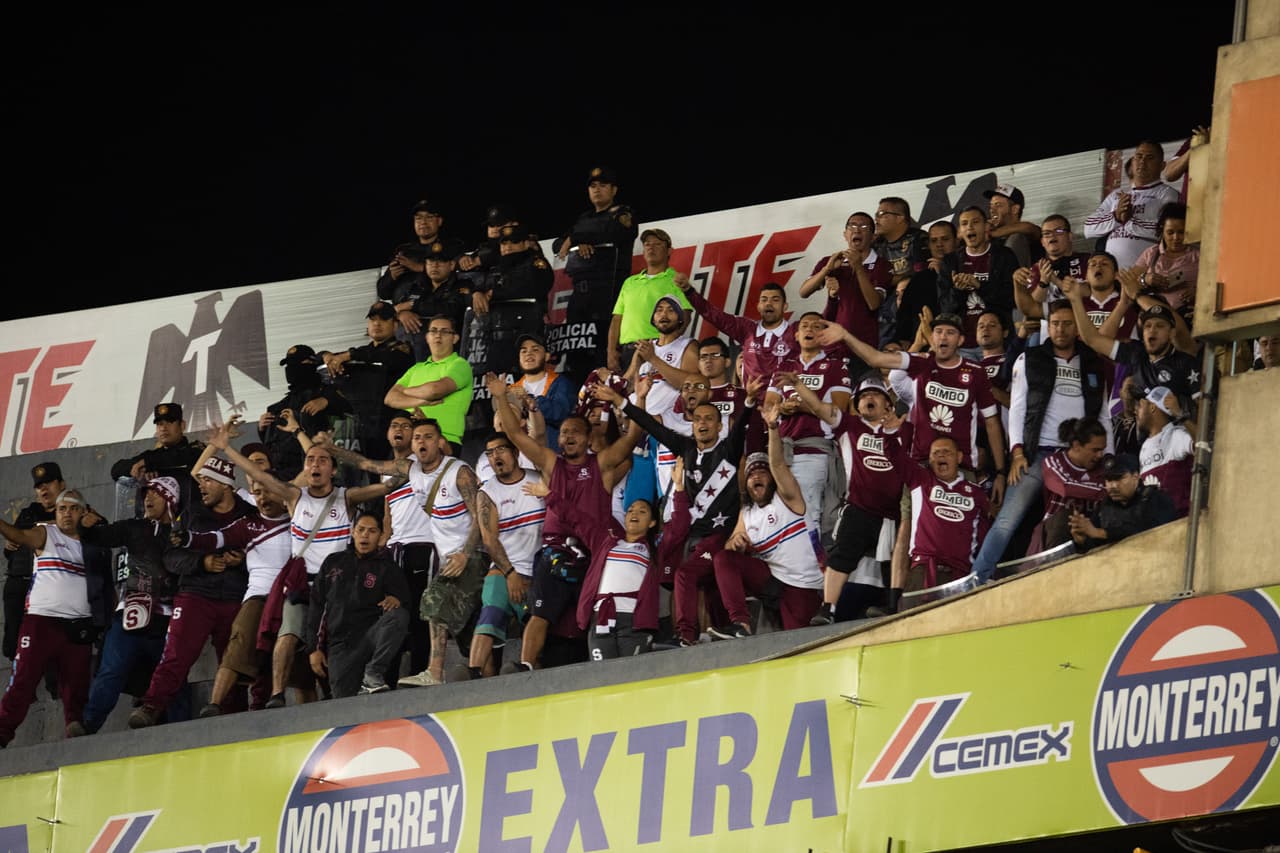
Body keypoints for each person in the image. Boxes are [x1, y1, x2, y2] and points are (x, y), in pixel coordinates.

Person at [205, 420, 401, 710]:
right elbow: (258, 474)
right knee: (287, 635)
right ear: (305, 469)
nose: (315, 464)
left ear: (333, 470)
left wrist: (340, 451)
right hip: (302, 587)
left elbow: (393, 482)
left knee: (335, 645)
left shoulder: (346, 497)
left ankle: (340, 696)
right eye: (310, 460)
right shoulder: (294, 496)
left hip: (337, 590)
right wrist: (225, 448)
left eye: (323, 460)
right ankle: (277, 695)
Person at [487, 371, 644, 670]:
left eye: (575, 432)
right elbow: (515, 435)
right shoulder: (550, 462)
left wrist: (638, 399)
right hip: (555, 553)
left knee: (588, 618)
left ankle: (598, 667)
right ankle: (526, 667)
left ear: (588, 438)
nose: (568, 437)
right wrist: (499, 397)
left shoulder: (602, 464)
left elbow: (632, 436)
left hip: (593, 556)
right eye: (564, 433)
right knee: (541, 614)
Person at [596, 373, 763, 647]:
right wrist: (620, 401)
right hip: (690, 536)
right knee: (703, 588)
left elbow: (742, 424)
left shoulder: (728, 451)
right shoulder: (685, 448)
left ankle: (686, 635)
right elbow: (651, 425)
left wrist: (749, 401)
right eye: (697, 420)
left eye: (709, 419)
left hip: (718, 537)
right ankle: (721, 633)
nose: (702, 424)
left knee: (685, 575)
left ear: (720, 426)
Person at [971, 300, 1112, 583]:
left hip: (1079, 456)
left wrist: (1107, 458)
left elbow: (1103, 415)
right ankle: (977, 580)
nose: (1060, 329)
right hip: (1038, 453)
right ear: (1049, 326)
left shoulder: (1093, 362)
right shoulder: (1030, 358)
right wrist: (1017, 452)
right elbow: (1017, 409)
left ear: (1078, 327)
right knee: (1008, 519)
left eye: (1067, 323)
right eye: (1055, 323)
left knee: (1079, 522)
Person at [128, 456, 258, 728]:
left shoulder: (250, 514)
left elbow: (268, 555)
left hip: (236, 597)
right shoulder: (190, 513)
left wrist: (242, 561)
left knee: (233, 661)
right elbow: (171, 557)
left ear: (226, 485)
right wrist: (202, 562)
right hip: (195, 595)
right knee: (175, 654)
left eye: (208, 480)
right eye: (201, 481)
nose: (201, 486)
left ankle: (234, 720)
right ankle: (151, 707)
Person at [817, 314, 1008, 494]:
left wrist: (1000, 472)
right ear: (932, 337)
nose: (943, 337)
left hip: (962, 466)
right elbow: (876, 358)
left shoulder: (976, 372)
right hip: (920, 465)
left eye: (950, 332)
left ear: (960, 340)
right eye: (939, 331)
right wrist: (845, 335)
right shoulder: (921, 362)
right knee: (912, 518)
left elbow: (991, 422)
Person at [780, 373, 912, 625]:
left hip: (894, 513)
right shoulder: (849, 426)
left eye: (875, 394)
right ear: (856, 406)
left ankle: (894, 607)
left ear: (889, 404)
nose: (869, 398)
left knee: (894, 561)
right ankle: (827, 609)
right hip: (859, 508)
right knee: (841, 556)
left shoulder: (908, 430)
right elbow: (818, 407)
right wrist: (797, 384)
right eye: (863, 396)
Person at [74, 477, 187, 734]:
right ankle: (88, 726)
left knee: (174, 678)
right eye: (145, 494)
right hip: (130, 614)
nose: (147, 498)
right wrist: (86, 528)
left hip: (168, 619)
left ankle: (185, 731)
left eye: (156, 494)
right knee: (111, 671)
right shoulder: (134, 527)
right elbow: (101, 536)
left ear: (171, 499)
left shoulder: (184, 534)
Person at [0, 489, 106, 747]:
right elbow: (17, 535)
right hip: (41, 622)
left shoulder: (95, 543)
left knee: (77, 687)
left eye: (73, 508)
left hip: (79, 626)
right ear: (55, 513)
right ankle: (2, 732)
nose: (66, 514)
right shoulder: (46, 533)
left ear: (84, 512)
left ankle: (76, 739)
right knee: (23, 679)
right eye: (61, 509)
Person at [710, 399, 823, 638]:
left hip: (802, 586)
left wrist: (772, 428)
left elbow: (778, 464)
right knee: (723, 558)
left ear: (772, 479)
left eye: (763, 472)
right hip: (772, 582)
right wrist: (736, 542)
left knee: (800, 645)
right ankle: (740, 623)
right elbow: (731, 545)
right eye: (752, 474)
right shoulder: (747, 513)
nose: (756, 477)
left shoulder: (788, 497)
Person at [185, 477, 291, 717]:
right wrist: (188, 538)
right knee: (237, 645)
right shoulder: (248, 524)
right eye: (257, 493)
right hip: (257, 596)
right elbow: (216, 538)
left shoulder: (298, 519)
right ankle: (214, 704)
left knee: (295, 656)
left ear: (282, 492)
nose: (262, 498)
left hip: (291, 596)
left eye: (268, 491)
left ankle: (283, 699)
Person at [764, 312, 852, 550]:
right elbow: (768, 405)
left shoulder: (835, 367)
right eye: (805, 325)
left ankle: (811, 564)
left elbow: (839, 410)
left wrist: (801, 406)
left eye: (816, 326)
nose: (810, 329)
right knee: (779, 513)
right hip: (780, 449)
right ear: (796, 334)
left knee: (807, 512)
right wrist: (782, 407)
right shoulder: (785, 367)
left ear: (825, 335)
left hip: (814, 449)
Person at [464, 432, 545, 679]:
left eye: (500, 450)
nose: (495, 457)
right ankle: (473, 672)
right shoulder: (487, 492)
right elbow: (489, 539)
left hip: (541, 569)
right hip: (506, 568)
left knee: (538, 623)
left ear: (515, 452)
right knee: (491, 611)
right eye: (489, 453)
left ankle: (528, 671)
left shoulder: (538, 480)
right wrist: (511, 574)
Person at [306, 510, 410, 698]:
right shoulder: (333, 562)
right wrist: (314, 648)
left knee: (398, 615)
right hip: (340, 644)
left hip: (371, 638)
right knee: (343, 701)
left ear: (380, 536)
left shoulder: (387, 566)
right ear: (353, 532)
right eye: (361, 529)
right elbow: (317, 606)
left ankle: (374, 672)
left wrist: (396, 599)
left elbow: (404, 600)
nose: (365, 535)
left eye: (372, 531)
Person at [553, 166, 639, 387]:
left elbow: (616, 233)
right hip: (580, 296)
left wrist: (577, 238)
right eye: (593, 186)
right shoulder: (584, 218)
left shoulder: (622, 213)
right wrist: (577, 240)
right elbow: (558, 245)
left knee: (604, 355)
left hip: (608, 294)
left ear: (614, 190)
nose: (597, 190)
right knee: (576, 355)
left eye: (603, 185)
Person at [1066, 281, 1202, 407]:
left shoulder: (1186, 359)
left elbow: (1202, 411)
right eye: (1147, 326)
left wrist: (1137, 295)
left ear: (1171, 332)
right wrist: (1075, 300)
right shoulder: (1136, 353)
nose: (1152, 330)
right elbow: (1093, 339)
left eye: (1160, 325)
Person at [319, 301, 416, 466]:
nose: (377, 324)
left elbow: (382, 357)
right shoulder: (360, 353)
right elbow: (318, 356)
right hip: (362, 428)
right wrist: (327, 356)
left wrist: (348, 355)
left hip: (391, 426)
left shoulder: (402, 350)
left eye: (383, 319)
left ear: (395, 325)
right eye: (373, 320)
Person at [900, 436, 993, 603]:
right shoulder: (921, 480)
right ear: (929, 459)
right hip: (923, 571)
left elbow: (985, 535)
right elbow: (895, 456)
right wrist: (892, 432)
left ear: (959, 457)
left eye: (946, 452)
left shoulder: (976, 493)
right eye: (936, 453)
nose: (941, 455)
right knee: (912, 618)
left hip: (960, 575)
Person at [798, 211, 888, 374]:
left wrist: (858, 267)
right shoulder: (831, 261)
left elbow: (874, 303)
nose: (857, 230)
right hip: (832, 347)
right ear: (845, 234)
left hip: (864, 347)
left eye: (864, 227)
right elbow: (804, 292)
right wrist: (827, 269)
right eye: (852, 226)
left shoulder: (882, 265)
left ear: (873, 237)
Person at [675, 277, 798, 389]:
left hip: (783, 401)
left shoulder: (796, 332)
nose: (769, 303)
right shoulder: (747, 329)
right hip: (750, 401)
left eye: (775, 300)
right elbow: (713, 315)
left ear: (785, 306)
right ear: (758, 306)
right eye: (764, 300)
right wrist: (689, 292)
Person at [258, 345, 353, 482]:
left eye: (297, 363)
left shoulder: (328, 391)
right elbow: (272, 444)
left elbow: (352, 408)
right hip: (282, 476)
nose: (292, 369)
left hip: (315, 473)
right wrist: (262, 429)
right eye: (290, 365)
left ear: (310, 363)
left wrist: (327, 401)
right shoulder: (280, 406)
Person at [1083, 141, 1181, 270]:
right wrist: (1116, 217)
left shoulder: (1167, 194)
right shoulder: (1116, 195)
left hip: (1146, 272)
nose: (1142, 161)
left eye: (1150, 158)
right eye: (1138, 156)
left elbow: (1167, 232)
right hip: (1113, 275)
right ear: (1133, 161)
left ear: (1162, 165)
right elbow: (1089, 228)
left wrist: (1129, 221)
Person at [608, 228, 692, 373]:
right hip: (626, 351)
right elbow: (617, 319)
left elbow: (685, 315)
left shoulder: (675, 279)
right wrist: (611, 351)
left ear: (669, 251)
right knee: (626, 388)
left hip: (655, 348)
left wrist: (668, 346)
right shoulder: (630, 282)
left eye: (657, 244)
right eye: (647, 244)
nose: (651, 248)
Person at [4, 461, 64, 662]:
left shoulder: (72, 510)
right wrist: (9, 545)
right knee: (14, 643)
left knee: (49, 642)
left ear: (61, 484)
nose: (44, 489)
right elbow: (10, 551)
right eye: (39, 486)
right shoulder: (28, 513)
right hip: (19, 583)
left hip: (50, 587)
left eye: (49, 483)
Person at [937, 206, 1019, 355]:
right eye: (964, 223)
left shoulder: (1004, 256)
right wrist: (957, 290)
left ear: (986, 226)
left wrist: (980, 285)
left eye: (975, 222)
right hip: (962, 345)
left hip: (997, 345)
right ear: (960, 231)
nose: (969, 227)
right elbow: (945, 308)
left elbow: (1011, 299)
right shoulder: (950, 262)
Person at [385, 315, 474, 450]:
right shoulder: (416, 368)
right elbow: (390, 398)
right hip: (412, 441)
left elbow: (434, 390)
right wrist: (422, 402)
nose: (438, 335)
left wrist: (405, 391)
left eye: (444, 331)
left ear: (455, 338)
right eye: (433, 331)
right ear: (427, 337)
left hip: (445, 440)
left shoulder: (460, 364)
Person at [482, 223, 554, 378]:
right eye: (504, 243)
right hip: (497, 339)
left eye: (514, 242)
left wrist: (496, 294)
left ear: (526, 243)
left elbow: (534, 288)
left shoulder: (536, 263)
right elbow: (478, 291)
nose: (508, 247)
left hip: (526, 339)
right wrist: (476, 294)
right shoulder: (495, 269)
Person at [110, 403, 205, 515]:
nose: (164, 428)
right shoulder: (150, 456)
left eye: (169, 422)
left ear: (182, 425)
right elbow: (116, 470)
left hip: (189, 519)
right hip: (153, 521)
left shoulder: (195, 449)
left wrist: (149, 463)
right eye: (160, 424)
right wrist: (135, 468)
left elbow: (179, 457)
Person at [1070, 453, 1176, 553]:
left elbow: (1149, 531)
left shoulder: (1155, 498)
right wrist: (1082, 541)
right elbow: (1094, 544)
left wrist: (1101, 533)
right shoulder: (1105, 506)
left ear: (1135, 476)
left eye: (1119, 478)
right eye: (1108, 480)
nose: (1113, 486)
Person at [1033, 417, 1109, 552]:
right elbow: (1064, 487)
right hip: (1056, 531)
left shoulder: (1104, 466)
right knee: (1066, 517)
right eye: (1095, 450)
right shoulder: (1054, 461)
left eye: (1102, 450)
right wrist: (1103, 491)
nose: (1100, 455)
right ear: (1076, 445)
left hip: (1090, 530)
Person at [394, 238, 471, 362]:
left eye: (440, 261)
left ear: (451, 265)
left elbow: (452, 309)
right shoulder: (416, 286)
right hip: (411, 354)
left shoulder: (462, 285)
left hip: (446, 355)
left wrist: (414, 306)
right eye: (430, 261)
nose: (435, 265)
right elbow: (397, 308)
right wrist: (401, 314)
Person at [871, 197, 930, 346]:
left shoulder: (918, 238)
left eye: (882, 214)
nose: (876, 219)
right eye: (876, 214)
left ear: (900, 218)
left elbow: (919, 274)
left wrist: (888, 280)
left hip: (912, 303)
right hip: (884, 306)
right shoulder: (877, 244)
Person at [508, 333, 576, 451]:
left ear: (547, 356)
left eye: (535, 350)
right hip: (521, 456)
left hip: (553, 454)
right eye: (523, 351)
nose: (528, 354)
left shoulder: (561, 383)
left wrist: (529, 400)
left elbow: (561, 415)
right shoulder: (511, 391)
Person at [375, 198, 445, 312]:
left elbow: (453, 276)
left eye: (429, 217)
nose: (423, 222)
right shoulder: (404, 250)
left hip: (431, 309)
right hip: (400, 311)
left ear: (439, 221)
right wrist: (392, 276)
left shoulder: (450, 247)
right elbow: (383, 293)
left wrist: (418, 267)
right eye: (418, 218)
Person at [1134, 203, 1198, 325]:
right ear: (1162, 230)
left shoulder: (1198, 256)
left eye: (1181, 232)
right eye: (1170, 232)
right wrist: (1145, 279)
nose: (1176, 238)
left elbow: (1213, 286)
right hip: (1153, 320)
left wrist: (1198, 293)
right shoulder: (1150, 254)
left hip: (1186, 321)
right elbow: (1129, 284)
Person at [1137, 385, 1194, 518]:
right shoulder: (1144, 446)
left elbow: (1201, 445)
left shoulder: (1176, 435)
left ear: (1152, 407)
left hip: (1178, 520)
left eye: (1140, 406)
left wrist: (1181, 415)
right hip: (1154, 522)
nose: (1136, 411)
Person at [892, 220, 952, 348]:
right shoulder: (919, 279)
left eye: (945, 239)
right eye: (934, 241)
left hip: (958, 344)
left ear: (956, 241)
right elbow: (904, 315)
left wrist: (944, 275)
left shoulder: (966, 270)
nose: (939, 244)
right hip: (921, 346)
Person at [985, 184, 1042, 269]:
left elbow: (1030, 228)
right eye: (991, 206)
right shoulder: (991, 236)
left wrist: (994, 233)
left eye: (998, 205)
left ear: (1015, 209)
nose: (992, 210)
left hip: (1022, 276)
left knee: (1016, 237)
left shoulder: (1026, 234)